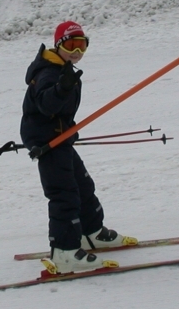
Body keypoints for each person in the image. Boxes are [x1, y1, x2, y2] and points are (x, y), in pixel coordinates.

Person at [20, 21, 137, 274]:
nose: (77, 52)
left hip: (60, 137)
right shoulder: (49, 73)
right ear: (58, 45)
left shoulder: (62, 68)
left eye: (82, 46)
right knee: (64, 194)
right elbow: (46, 105)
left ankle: (91, 234)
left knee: (82, 185)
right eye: (71, 45)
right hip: (48, 143)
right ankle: (64, 252)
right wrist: (61, 89)